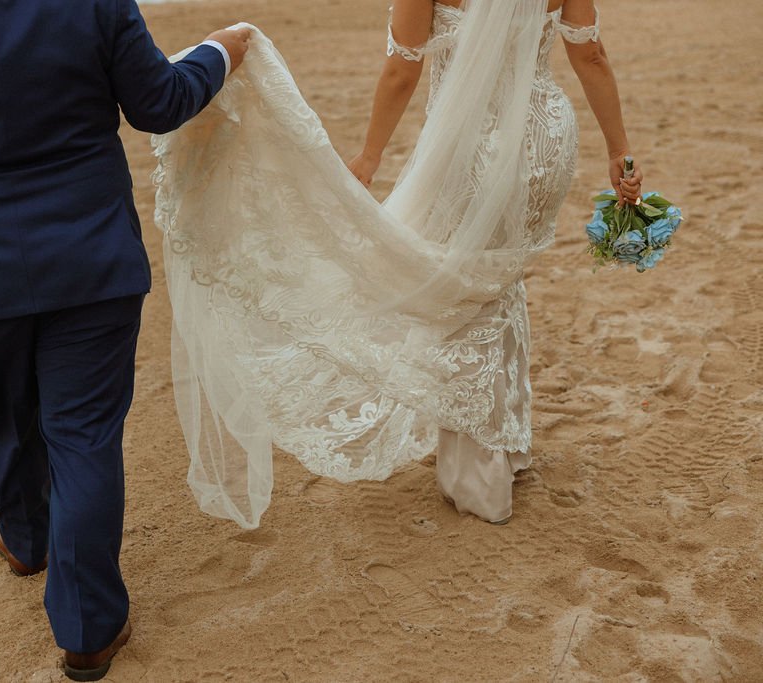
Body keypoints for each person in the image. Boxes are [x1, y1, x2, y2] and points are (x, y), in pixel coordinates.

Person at [0, 0, 249, 678]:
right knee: (83, 436)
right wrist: (220, 51)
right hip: (91, 261)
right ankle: (88, 627)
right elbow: (156, 102)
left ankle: (26, 540)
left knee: (3, 411)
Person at [149, 0, 643, 529]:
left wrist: (369, 156)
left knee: (463, 291)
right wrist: (619, 152)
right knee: (495, 280)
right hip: (545, 140)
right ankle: (508, 442)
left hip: (471, 146)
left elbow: (401, 72)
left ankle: (480, 478)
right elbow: (590, 55)